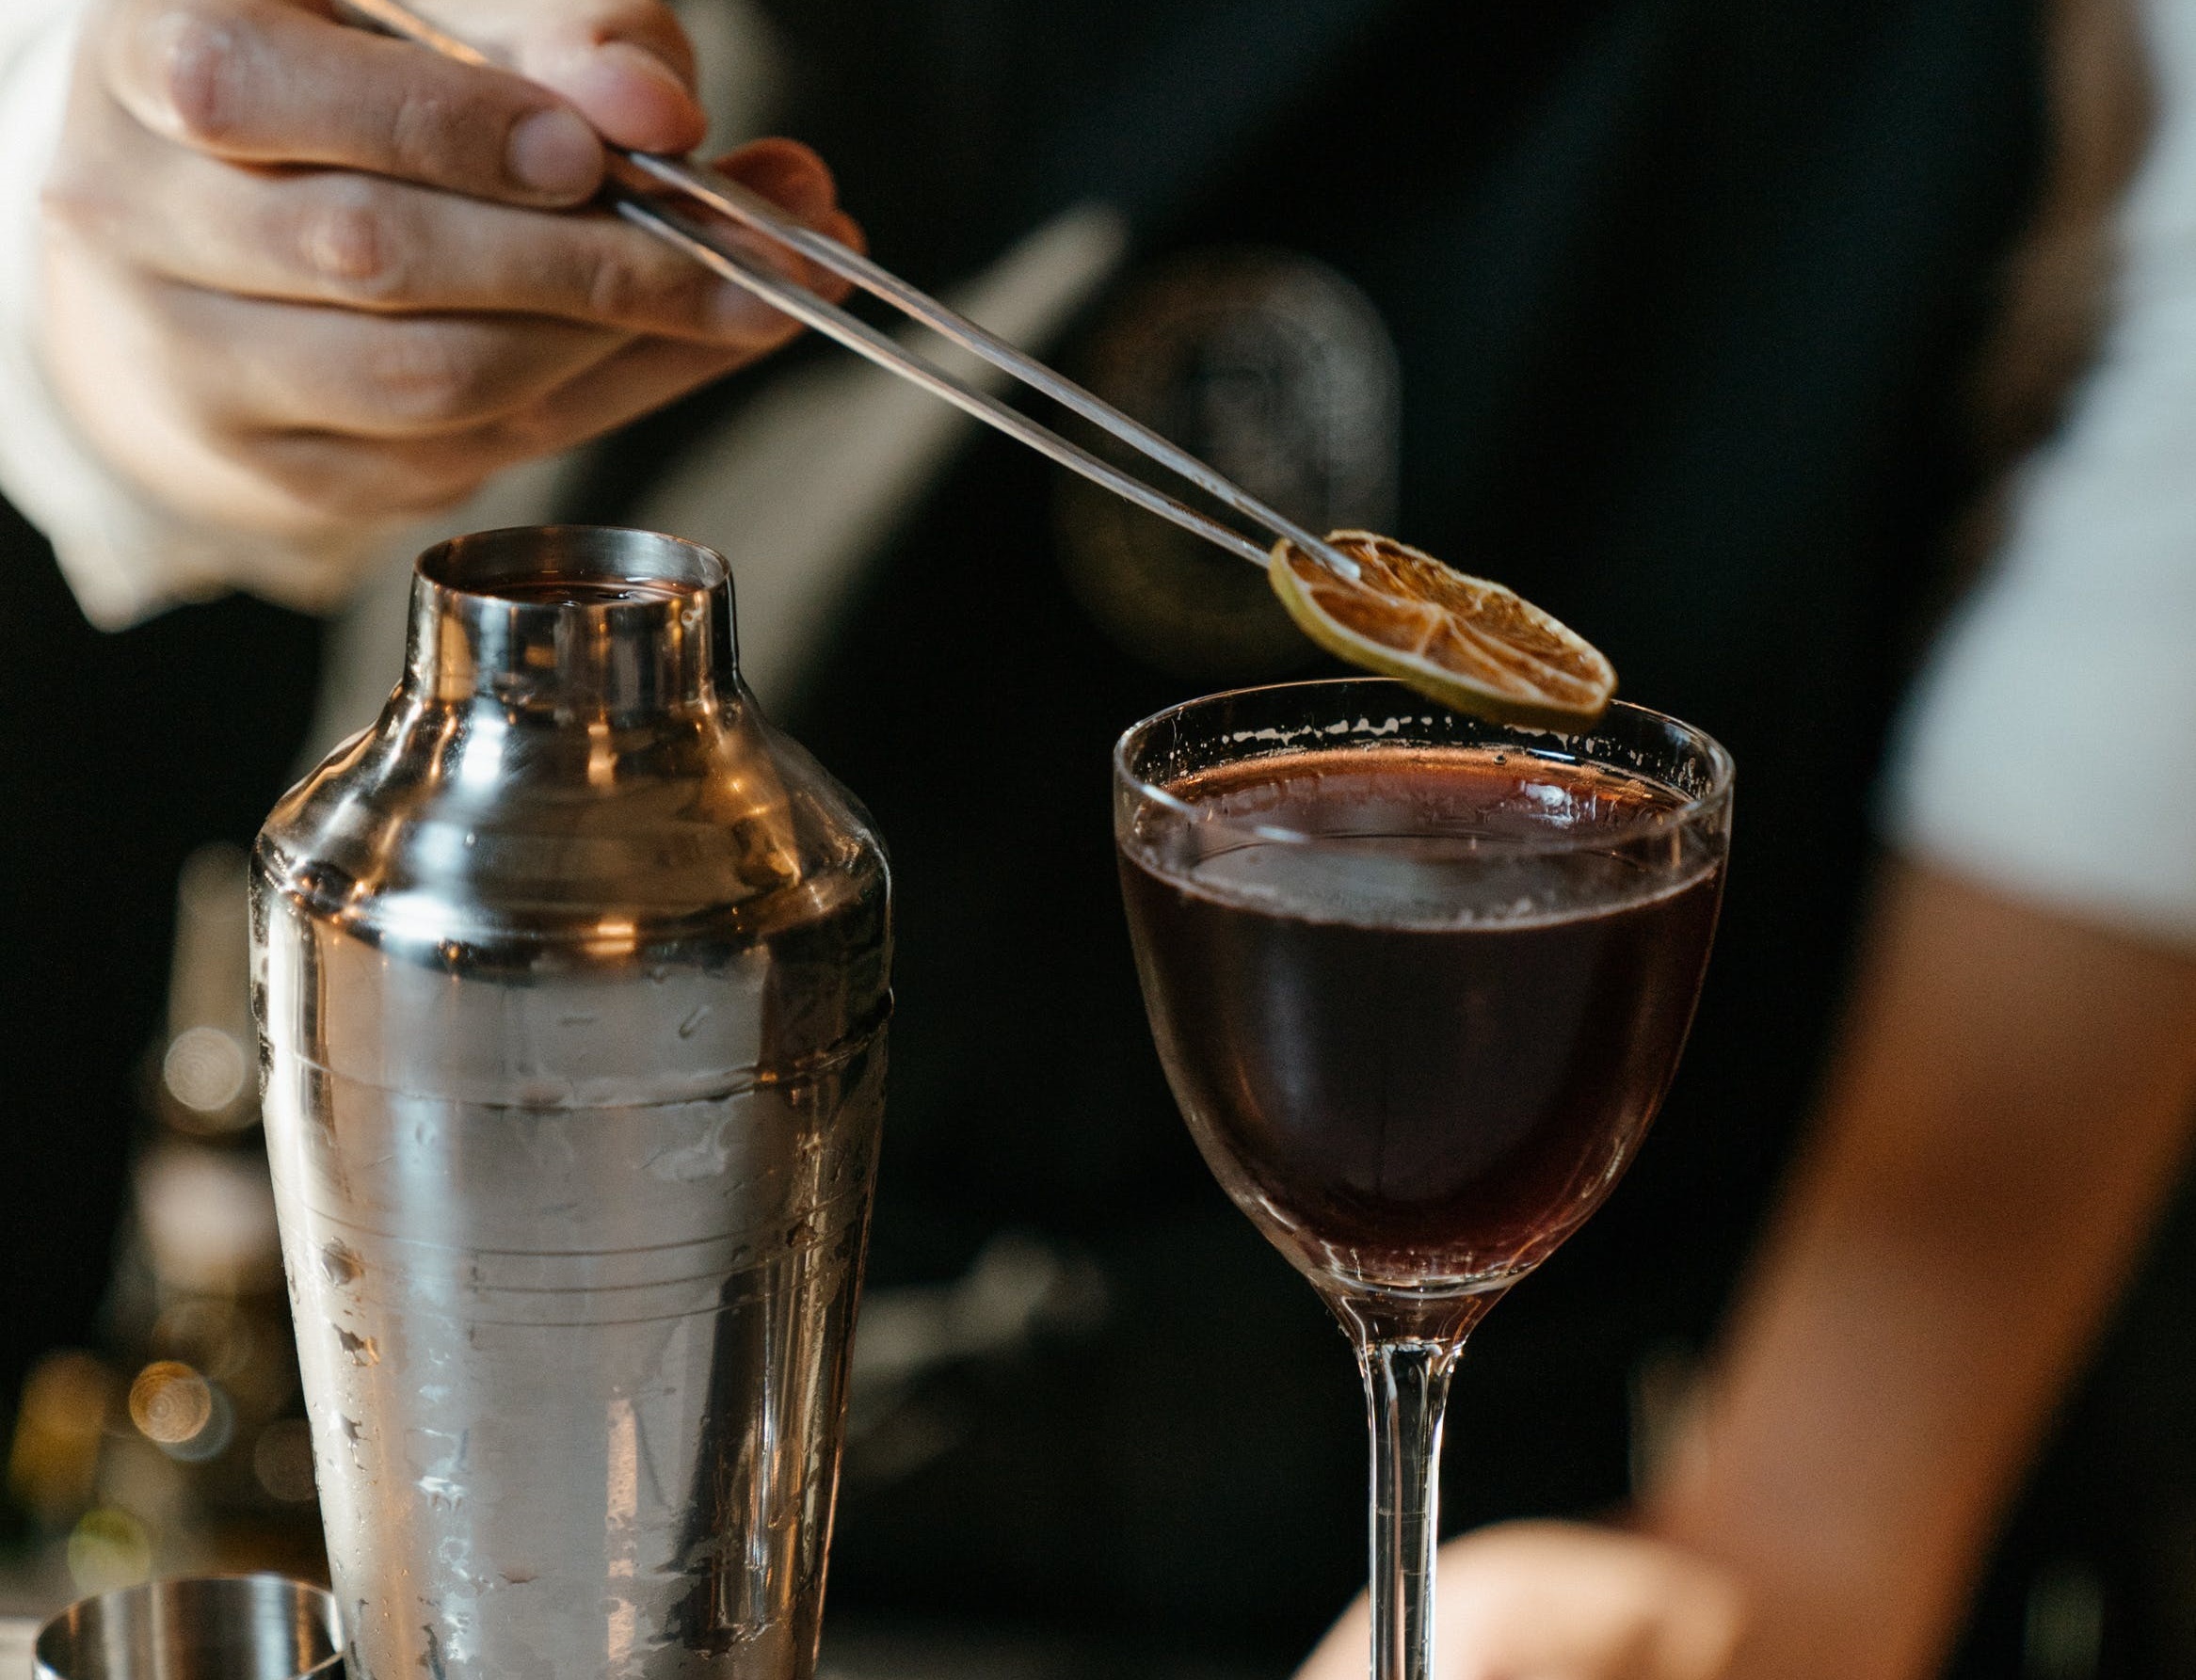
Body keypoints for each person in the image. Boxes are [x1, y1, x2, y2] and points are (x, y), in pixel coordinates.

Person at [4, 1, 2188, 1674]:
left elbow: (2141, 624)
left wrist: (1794, 1532)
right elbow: (131, 164)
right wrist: (164, 301)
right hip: (562, 1420)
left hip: (1617, 1440)